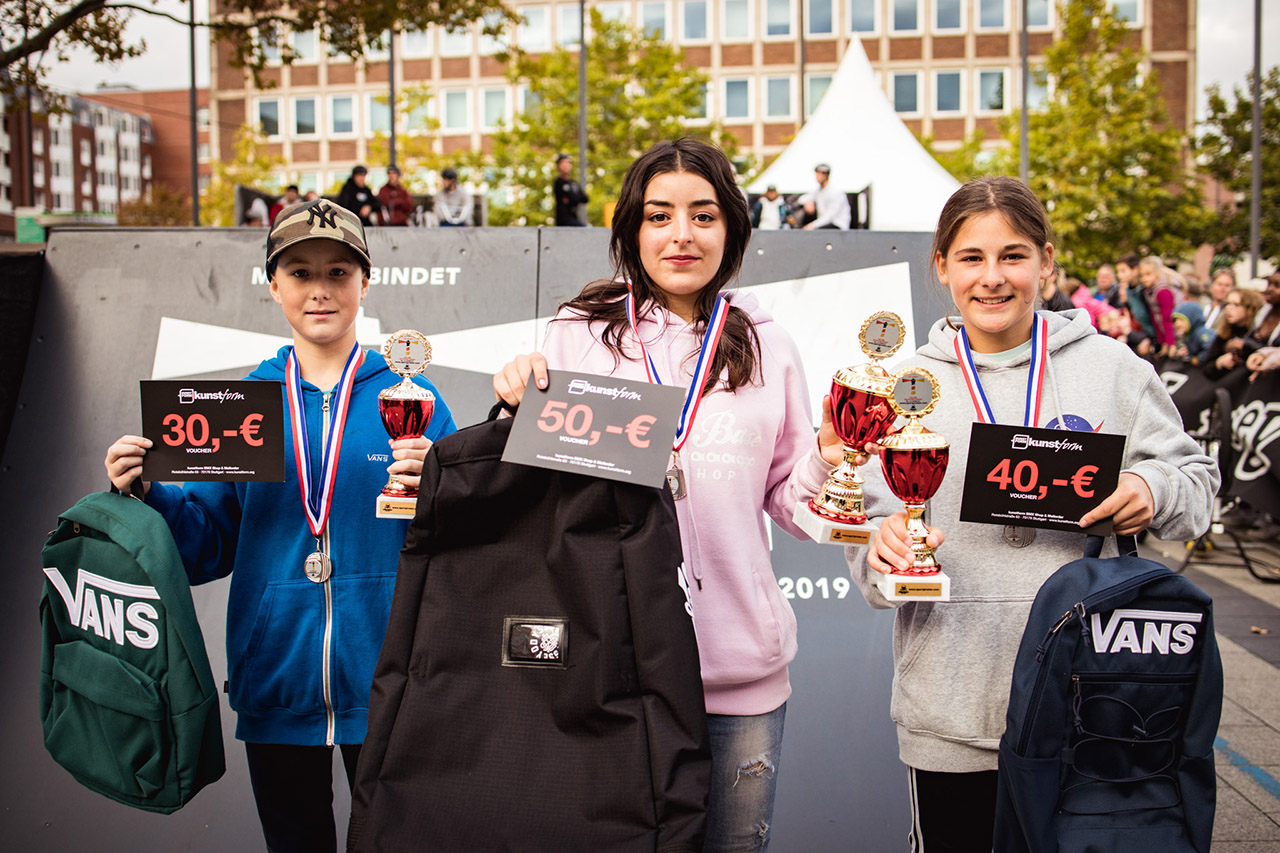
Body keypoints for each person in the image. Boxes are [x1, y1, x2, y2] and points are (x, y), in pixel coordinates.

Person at [845, 176, 1217, 853]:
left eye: (1013, 256)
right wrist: (882, 548)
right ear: (942, 266)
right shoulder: (903, 387)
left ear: (1046, 262)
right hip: (952, 711)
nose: (992, 277)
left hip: (1092, 714)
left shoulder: (1113, 370)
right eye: (972, 257)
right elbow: (869, 541)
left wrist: (1153, 487)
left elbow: (1198, 487)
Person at [493, 137, 842, 852]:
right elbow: (538, 499)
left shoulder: (768, 344)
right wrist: (512, 406)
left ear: (732, 229)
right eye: (659, 216)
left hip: (738, 673)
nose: (682, 234)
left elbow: (791, 503)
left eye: (703, 215)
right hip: (609, 670)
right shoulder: (579, 335)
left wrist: (829, 458)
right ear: (632, 228)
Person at [103, 198, 458, 853]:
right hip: (277, 675)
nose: (320, 289)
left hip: (390, 678)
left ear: (365, 283)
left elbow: (459, 545)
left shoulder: (416, 399)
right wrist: (150, 494)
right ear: (273, 285)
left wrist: (441, 486)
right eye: (300, 272)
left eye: (338, 272)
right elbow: (206, 546)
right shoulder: (243, 405)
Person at [1201, 286, 1263, 380]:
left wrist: (1244, 345)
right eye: (1227, 304)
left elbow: (1264, 352)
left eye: (1236, 304)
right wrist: (1220, 362)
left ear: (1249, 308)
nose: (1228, 308)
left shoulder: (1257, 333)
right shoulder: (1225, 333)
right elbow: (1206, 368)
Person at [1138, 255, 1179, 357]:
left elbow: (1167, 318)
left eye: (1148, 274)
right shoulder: (1149, 292)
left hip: (1176, 334)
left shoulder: (1163, 292)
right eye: (1141, 275)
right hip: (1164, 335)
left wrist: (1170, 344)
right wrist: (1161, 341)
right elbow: (1155, 318)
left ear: (1157, 274)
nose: (1144, 278)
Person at [796, 163, 851, 230]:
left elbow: (830, 216)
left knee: (812, 232)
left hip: (837, 226)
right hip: (823, 225)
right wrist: (807, 202)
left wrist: (812, 225)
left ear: (826, 175)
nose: (817, 176)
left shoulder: (835, 192)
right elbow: (802, 198)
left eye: (820, 174)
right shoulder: (818, 191)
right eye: (817, 174)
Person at [553, 152, 589, 226]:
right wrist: (574, 197)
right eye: (563, 163)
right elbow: (573, 198)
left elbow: (584, 198)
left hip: (574, 217)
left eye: (568, 163)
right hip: (563, 221)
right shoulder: (559, 182)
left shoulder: (573, 183)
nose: (566, 165)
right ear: (558, 165)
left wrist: (572, 198)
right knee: (582, 227)